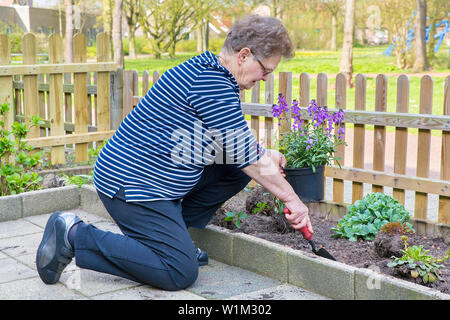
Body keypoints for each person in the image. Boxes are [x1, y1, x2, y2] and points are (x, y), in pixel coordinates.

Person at [36, 15, 313, 291]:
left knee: (234, 169)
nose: (265, 79)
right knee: (178, 271)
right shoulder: (212, 84)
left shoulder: (209, 69)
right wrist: (293, 200)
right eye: (266, 70)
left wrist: (263, 154)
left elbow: (234, 145)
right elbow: (246, 155)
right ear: (243, 56)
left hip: (151, 175)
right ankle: (72, 234)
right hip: (130, 184)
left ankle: (170, 237)